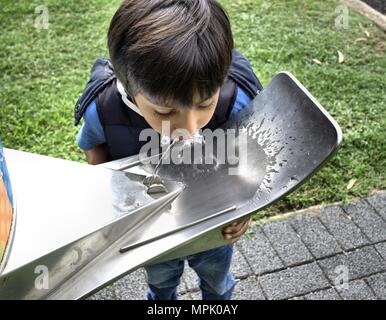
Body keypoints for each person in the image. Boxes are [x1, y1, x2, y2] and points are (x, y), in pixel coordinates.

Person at [74, 0, 263, 300]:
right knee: (161, 284)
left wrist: (244, 212)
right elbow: (93, 146)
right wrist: (107, 204)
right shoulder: (104, 110)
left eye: (204, 104)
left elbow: (249, 157)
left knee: (217, 282)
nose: (188, 128)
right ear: (129, 86)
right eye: (164, 111)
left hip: (213, 229)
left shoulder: (235, 101)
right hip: (151, 232)